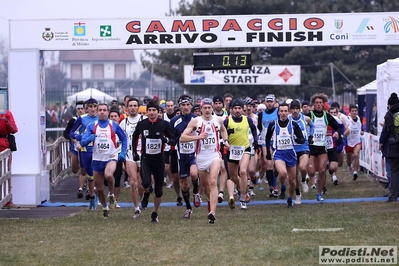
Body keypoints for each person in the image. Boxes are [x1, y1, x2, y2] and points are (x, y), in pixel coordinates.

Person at [180, 98, 229, 224]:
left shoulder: (218, 120)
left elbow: (223, 130)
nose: (207, 110)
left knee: (213, 181)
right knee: (206, 186)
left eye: (209, 107)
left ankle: (212, 212)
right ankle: (209, 202)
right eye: (205, 108)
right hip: (201, 157)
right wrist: (198, 137)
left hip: (214, 155)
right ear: (200, 109)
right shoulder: (195, 121)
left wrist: (226, 141)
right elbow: (182, 138)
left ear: (212, 108)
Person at [132, 100, 176, 224]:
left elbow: (173, 140)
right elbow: (135, 137)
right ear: (147, 112)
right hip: (146, 158)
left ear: (158, 112)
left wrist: (166, 139)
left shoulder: (164, 124)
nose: (151, 113)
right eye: (149, 110)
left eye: (154, 110)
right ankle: (146, 193)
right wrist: (135, 152)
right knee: (145, 183)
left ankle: (155, 213)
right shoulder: (142, 124)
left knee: (159, 190)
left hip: (159, 159)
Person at [81, 104, 127, 217]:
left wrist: (123, 152)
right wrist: (88, 139)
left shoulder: (114, 125)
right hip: (97, 159)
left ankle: (111, 194)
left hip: (111, 157)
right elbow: (82, 142)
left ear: (108, 112)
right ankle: (105, 206)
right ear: (97, 112)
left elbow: (124, 138)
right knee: (100, 189)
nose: (102, 112)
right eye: (100, 110)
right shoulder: (92, 126)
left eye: (104, 110)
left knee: (109, 175)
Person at [266, 103, 305, 207]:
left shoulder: (293, 125)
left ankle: (289, 198)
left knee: (292, 181)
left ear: (288, 112)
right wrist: (267, 153)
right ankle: (283, 185)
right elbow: (267, 138)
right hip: (279, 153)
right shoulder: (273, 124)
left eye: (285, 111)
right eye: (281, 111)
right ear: (278, 112)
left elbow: (302, 138)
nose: (283, 113)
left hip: (291, 154)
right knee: (282, 173)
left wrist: (298, 139)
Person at [305, 93, 342, 201]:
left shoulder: (327, 116)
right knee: (311, 172)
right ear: (313, 104)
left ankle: (319, 193)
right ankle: (308, 178)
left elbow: (338, 127)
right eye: (316, 103)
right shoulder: (309, 115)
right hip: (311, 147)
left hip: (322, 147)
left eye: (320, 103)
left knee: (322, 170)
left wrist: (338, 134)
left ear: (323, 104)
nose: (318, 105)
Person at [225, 98, 259, 210]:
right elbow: (221, 134)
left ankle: (242, 198)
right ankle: (244, 190)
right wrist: (224, 142)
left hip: (245, 149)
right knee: (233, 176)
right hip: (232, 151)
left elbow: (254, 129)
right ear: (231, 109)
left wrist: (256, 141)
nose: (237, 110)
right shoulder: (227, 121)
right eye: (235, 108)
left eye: (239, 108)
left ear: (243, 109)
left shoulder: (247, 120)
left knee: (243, 171)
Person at [170, 95, 200, 219]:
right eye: (183, 105)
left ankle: (196, 192)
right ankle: (188, 208)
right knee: (184, 184)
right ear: (180, 106)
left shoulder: (197, 119)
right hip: (181, 156)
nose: (186, 107)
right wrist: (174, 138)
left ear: (191, 106)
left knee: (193, 174)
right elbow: (171, 139)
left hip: (194, 154)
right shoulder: (174, 121)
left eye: (188, 105)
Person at [119, 98, 146, 217]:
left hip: (144, 153)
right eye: (131, 105)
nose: (133, 108)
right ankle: (136, 208)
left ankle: (144, 197)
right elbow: (120, 139)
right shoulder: (123, 123)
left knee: (143, 183)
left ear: (138, 107)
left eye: (135, 105)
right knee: (133, 182)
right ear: (127, 107)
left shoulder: (144, 120)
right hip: (130, 154)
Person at [70, 98, 99, 209]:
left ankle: (96, 195)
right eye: (90, 107)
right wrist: (81, 138)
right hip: (86, 150)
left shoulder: (101, 118)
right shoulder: (82, 119)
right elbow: (72, 132)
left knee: (99, 174)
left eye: (94, 106)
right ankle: (91, 196)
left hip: (99, 150)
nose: (92, 109)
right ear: (86, 108)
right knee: (90, 175)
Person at [288, 100, 314, 203]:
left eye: (296, 109)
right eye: (293, 109)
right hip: (292, 148)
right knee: (294, 176)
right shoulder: (287, 119)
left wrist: (311, 135)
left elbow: (313, 126)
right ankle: (298, 194)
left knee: (303, 167)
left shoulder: (305, 118)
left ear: (300, 109)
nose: (295, 111)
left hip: (303, 147)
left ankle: (303, 180)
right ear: (290, 110)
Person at [63, 100, 87, 198]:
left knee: (84, 168)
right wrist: (72, 139)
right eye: (79, 109)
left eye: (82, 109)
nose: (80, 111)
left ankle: (82, 185)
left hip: (85, 146)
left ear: (85, 109)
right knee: (74, 169)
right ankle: (83, 181)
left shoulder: (87, 119)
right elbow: (66, 133)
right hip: (75, 146)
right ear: (76, 110)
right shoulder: (73, 120)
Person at [380, 95, 399, 202]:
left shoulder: (389, 114)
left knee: (394, 171)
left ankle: (393, 195)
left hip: (393, 146)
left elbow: (386, 131)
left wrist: (382, 142)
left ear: (389, 104)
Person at [0, 109, 19, 209]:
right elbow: (14, 129)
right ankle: (7, 202)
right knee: (5, 174)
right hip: (3, 145)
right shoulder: (6, 113)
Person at [346, 104, 363, 180]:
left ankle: (355, 172)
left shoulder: (359, 119)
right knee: (349, 160)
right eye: (352, 111)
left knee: (356, 154)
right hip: (349, 142)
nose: (354, 112)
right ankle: (349, 166)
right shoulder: (347, 119)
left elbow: (359, 129)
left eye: (355, 111)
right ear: (350, 112)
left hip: (357, 141)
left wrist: (361, 132)